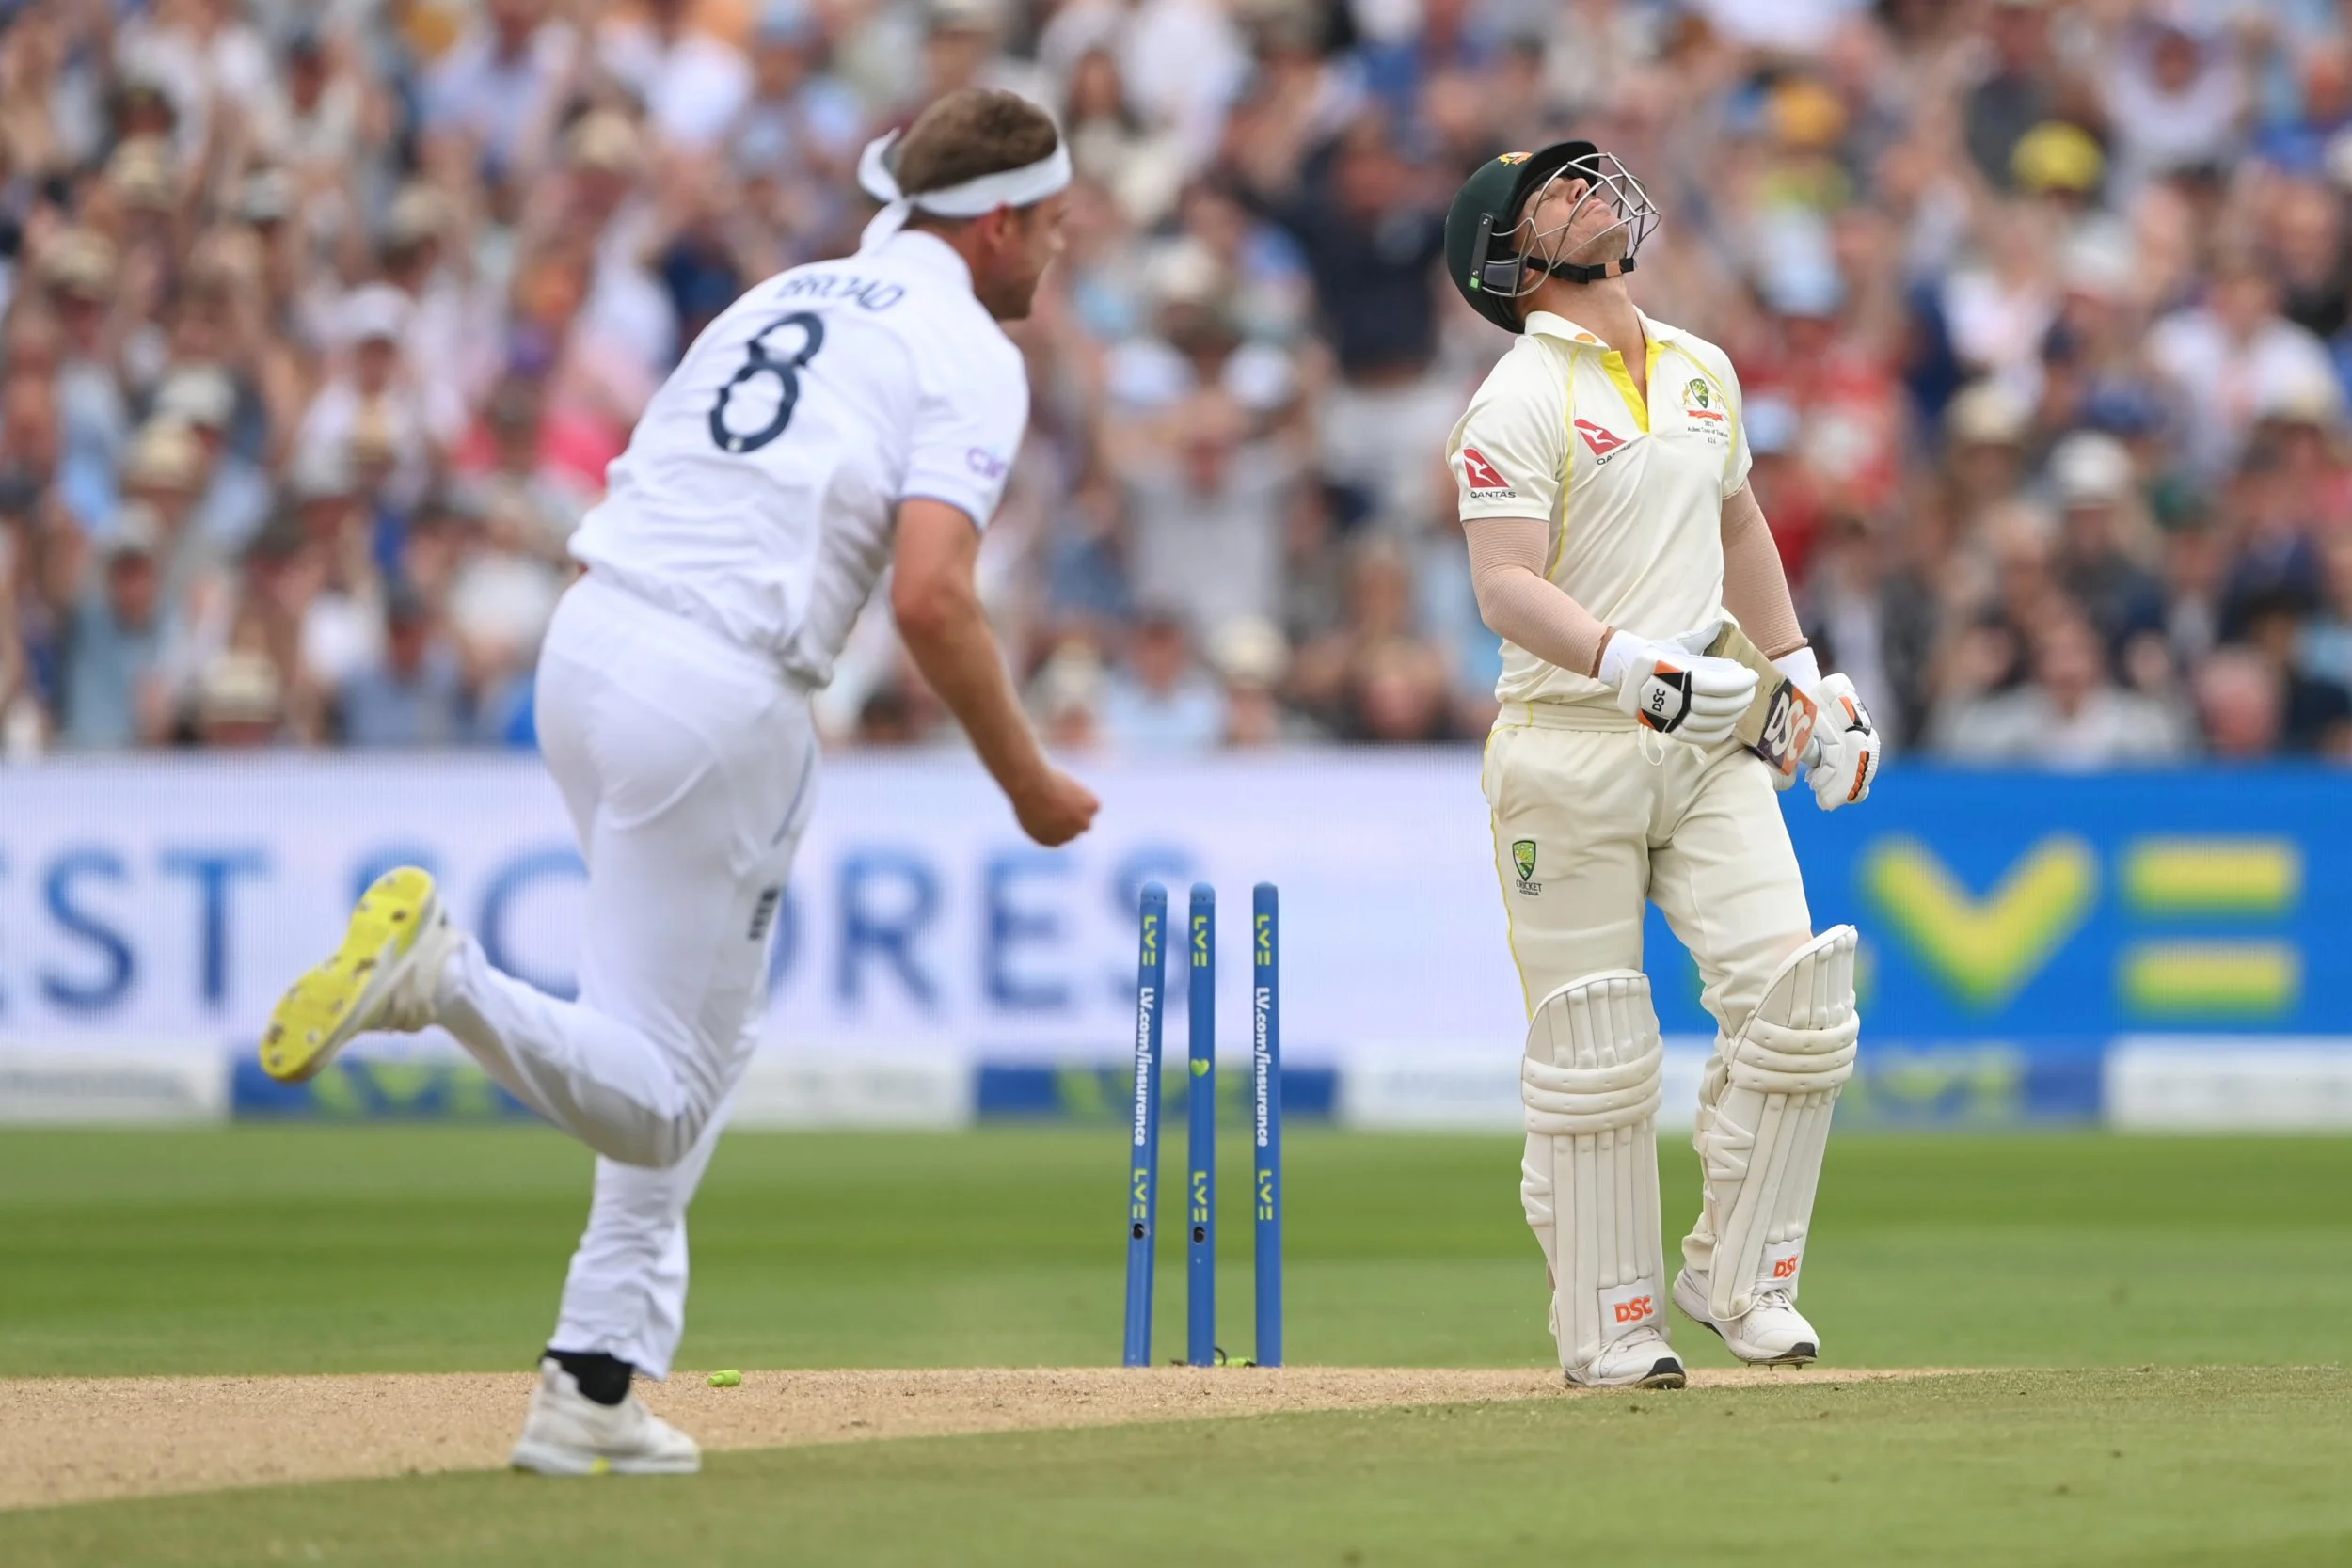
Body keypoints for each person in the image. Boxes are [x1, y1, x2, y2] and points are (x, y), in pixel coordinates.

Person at [257, 90, 1097, 1473]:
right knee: (661, 1089)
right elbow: (939, 601)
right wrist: (1028, 781)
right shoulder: (967, 346)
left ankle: (592, 1381)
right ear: (998, 222)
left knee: (702, 1030)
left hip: (588, 642)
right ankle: (440, 977)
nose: (1054, 259)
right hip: (720, 693)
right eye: (1052, 232)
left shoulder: (786, 293)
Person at [1441, 143, 1883, 1389]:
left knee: (1798, 1002)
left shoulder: (1702, 370)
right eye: (1557, 193)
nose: (1591, 193)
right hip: (1566, 747)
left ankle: (1739, 1277)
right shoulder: (1515, 398)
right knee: (1595, 1050)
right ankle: (1610, 1321)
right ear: (1510, 254)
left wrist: (1803, 674)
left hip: (1710, 740)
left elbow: (1737, 522)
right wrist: (1622, 660)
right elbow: (1504, 585)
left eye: (1590, 179)